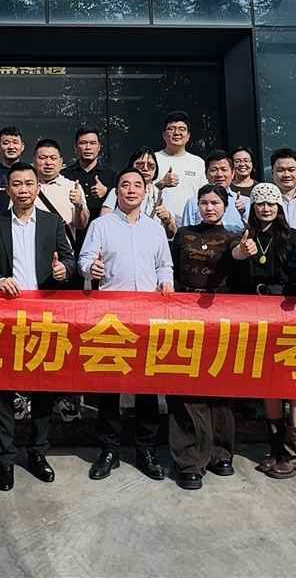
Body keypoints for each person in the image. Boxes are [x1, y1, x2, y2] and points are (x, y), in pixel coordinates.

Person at [0, 162, 74, 491]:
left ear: (38, 187)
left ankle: (37, 453)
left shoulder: (52, 222)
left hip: (43, 316)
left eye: (29, 183)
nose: (23, 189)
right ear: (8, 189)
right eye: (17, 184)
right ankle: (5, 460)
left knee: (42, 389)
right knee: (5, 392)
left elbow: (69, 259)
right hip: (7, 316)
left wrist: (64, 270)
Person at [78, 168, 174, 482]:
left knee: (147, 386)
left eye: (137, 185)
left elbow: (164, 264)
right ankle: (108, 450)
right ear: (116, 191)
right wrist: (90, 267)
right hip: (111, 316)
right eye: (124, 185)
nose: (131, 190)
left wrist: (166, 281)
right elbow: (84, 259)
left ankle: (146, 449)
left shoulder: (154, 228)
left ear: (145, 192)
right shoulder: (101, 225)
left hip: (147, 314)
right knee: (110, 387)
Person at [230, 181, 296, 479]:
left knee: (294, 381)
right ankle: (276, 447)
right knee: (268, 381)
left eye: (271, 203)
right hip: (257, 316)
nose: (266, 208)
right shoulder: (245, 236)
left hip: (288, 315)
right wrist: (241, 254)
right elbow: (234, 274)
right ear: (253, 207)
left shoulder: (291, 236)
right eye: (260, 204)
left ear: (279, 207)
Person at [169, 183, 238, 489]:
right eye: (204, 202)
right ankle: (189, 460)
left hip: (221, 317)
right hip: (185, 314)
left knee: (220, 384)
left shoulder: (235, 238)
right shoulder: (183, 234)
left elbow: (241, 275)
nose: (209, 207)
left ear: (225, 206)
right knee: (185, 387)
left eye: (215, 203)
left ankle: (221, 453)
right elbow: (169, 270)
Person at [154, 111, 206, 222]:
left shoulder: (198, 162)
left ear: (188, 136)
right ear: (164, 135)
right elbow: (142, 190)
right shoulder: (153, 159)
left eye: (182, 129)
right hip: (158, 223)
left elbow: (205, 195)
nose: (176, 133)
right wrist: (161, 183)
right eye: (171, 129)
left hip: (191, 224)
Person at [32, 139, 88, 242]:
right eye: (42, 158)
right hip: (32, 248)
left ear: (61, 162)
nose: (48, 162)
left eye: (53, 158)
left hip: (63, 249)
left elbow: (81, 225)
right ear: (34, 161)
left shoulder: (72, 187)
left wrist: (79, 206)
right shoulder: (26, 187)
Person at [180, 151, 247, 235]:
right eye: (213, 170)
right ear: (206, 174)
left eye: (224, 169)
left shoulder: (245, 202)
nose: (219, 174)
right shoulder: (193, 202)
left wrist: (243, 213)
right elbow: (186, 235)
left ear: (233, 173)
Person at [63, 126, 113, 223]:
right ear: (75, 148)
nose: (88, 147)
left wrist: (107, 191)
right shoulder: (65, 175)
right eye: (83, 143)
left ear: (99, 147)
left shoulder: (111, 175)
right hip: (72, 228)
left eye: (93, 143)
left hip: (102, 229)